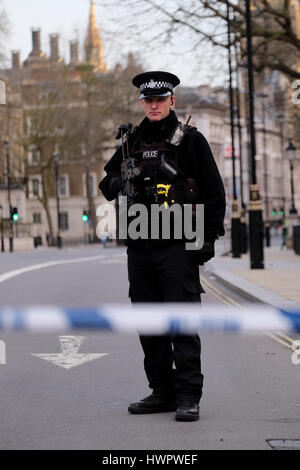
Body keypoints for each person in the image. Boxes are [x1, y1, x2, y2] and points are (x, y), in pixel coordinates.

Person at [99, 71, 226, 422]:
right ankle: (162, 392)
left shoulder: (190, 141)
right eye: (148, 100)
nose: (153, 105)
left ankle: (188, 396)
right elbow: (106, 183)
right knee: (149, 322)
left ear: (171, 101)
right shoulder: (131, 140)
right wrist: (121, 178)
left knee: (182, 323)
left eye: (160, 100)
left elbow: (214, 194)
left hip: (178, 245)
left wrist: (206, 240)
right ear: (142, 103)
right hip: (140, 246)